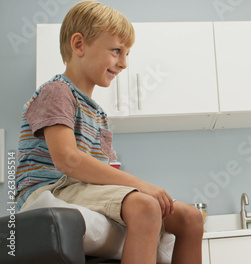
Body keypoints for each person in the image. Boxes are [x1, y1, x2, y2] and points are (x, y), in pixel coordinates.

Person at [15, 1, 203, 263]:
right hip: (50, 189)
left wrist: (134, 189)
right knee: (146, 205)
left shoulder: (99, 114)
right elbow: (67, 159)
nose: (124, 63)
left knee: (190, 218)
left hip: (82, 188)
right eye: (116, 51)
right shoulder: (57, 91)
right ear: (79, 45)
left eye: (127, 54)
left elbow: (107, 173)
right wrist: (142, 187)